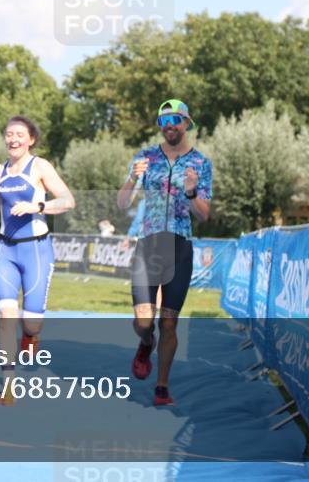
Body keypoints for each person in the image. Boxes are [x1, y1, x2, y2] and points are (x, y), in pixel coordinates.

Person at [0, 116, 75, 405]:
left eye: (20, 134)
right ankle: (8, 386)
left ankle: (31, 337)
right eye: (9, 134)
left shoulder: (40, 166)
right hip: (5, 251)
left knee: (31, 324)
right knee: (5, 317)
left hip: (36, 252)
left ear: (31, 139)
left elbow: (68, 200)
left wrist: (37, 205)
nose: (13, 139)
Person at [116, 99, 212, 407]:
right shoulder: (145, 157)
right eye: (163, 121)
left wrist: (193, 192)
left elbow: (204, 215)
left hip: (180, 246)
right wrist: (132, 177)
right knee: (145, 322)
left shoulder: (200, 163)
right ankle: (146, 343)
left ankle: (162, 385)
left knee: (169, 322)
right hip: (149, 244)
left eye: (174, 119)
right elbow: (121, 204)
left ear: (187, 122)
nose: (169, 125)